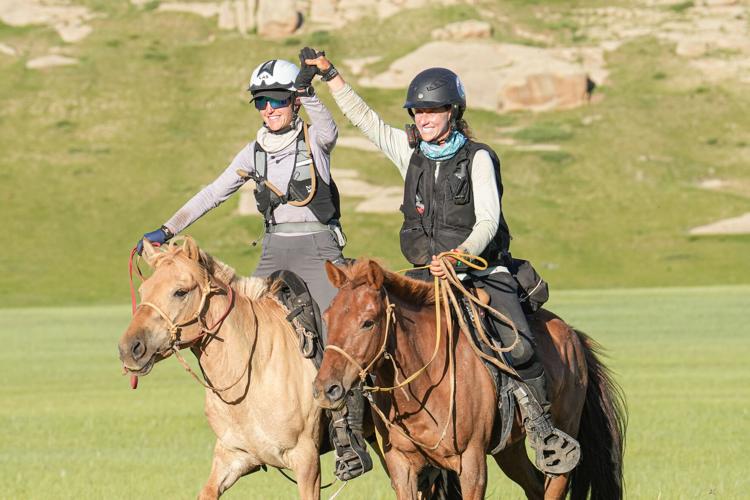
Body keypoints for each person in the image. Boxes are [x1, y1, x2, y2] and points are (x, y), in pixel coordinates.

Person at [302, 52, 581, 474]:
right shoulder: (409, 150)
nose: (425, 117)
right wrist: (333, 77)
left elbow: (488, 219)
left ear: (453, 112)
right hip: (423, 275)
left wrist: (458, 254)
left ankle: (542, 428)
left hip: (481, 270)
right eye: (419, 111)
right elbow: (368, 122)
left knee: (519, 342)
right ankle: (353, 440)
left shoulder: (479, 158)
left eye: (434, 109)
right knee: (370, 336)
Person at [135, 51, 372, 481]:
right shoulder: (253, 152)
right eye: (261, 102)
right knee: (241, 323)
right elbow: (212, 193)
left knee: (332, 329)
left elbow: (330, 127)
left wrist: (307, 90)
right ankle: (247, 423)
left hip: (319, 249)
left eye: (276, 100)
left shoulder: (313, 139)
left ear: (293, 101)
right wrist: (166, 230)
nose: (268, 109)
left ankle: (347, 433)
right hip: (274, 251)